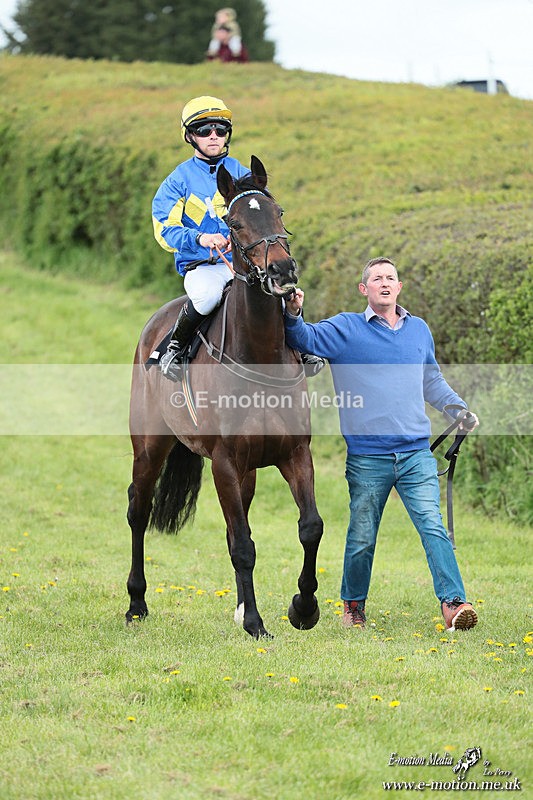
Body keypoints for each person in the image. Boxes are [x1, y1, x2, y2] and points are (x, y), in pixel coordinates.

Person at [283, 257, 480, 632]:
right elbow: (303, 338)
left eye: (390, 278)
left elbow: (432, 381)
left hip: (415, 453)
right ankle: (353, 608)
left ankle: (454, 605)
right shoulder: (345, 329)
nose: (384, 283)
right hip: (367, 458)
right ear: (365, 289)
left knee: (433, 527)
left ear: (399, 287)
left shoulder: (418, 330)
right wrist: (293, 314)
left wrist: (458, 409)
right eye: (377, 279)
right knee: (361, 536)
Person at [152, 95, 250, 381]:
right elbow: (164, 232)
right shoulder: (177, 181)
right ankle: (175, 349)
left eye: (220, 130)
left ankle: (303, 349)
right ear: (190, 136)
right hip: (202, 268)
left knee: (279, 291)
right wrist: (199, 239)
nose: (213, 136)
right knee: (207, 298)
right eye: (204, 130)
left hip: (242, 265)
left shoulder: (241, 173)